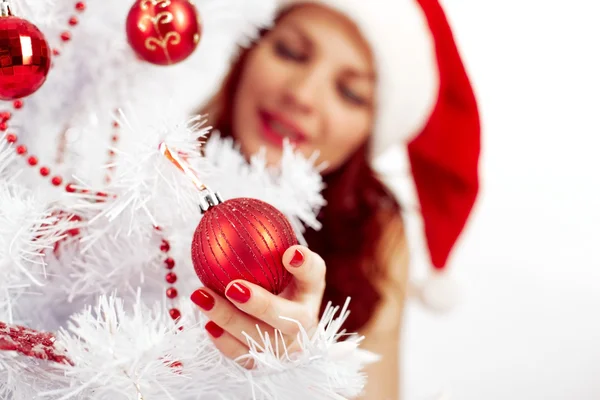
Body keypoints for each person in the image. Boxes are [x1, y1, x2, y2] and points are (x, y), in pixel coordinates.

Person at [190, 0, 481, 398]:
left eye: (350, 92)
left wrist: (297, 371)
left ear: (371, 130)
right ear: (250, 50)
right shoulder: (139, 169)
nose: (302, 95)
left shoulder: (376, 235)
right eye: (290, 52)